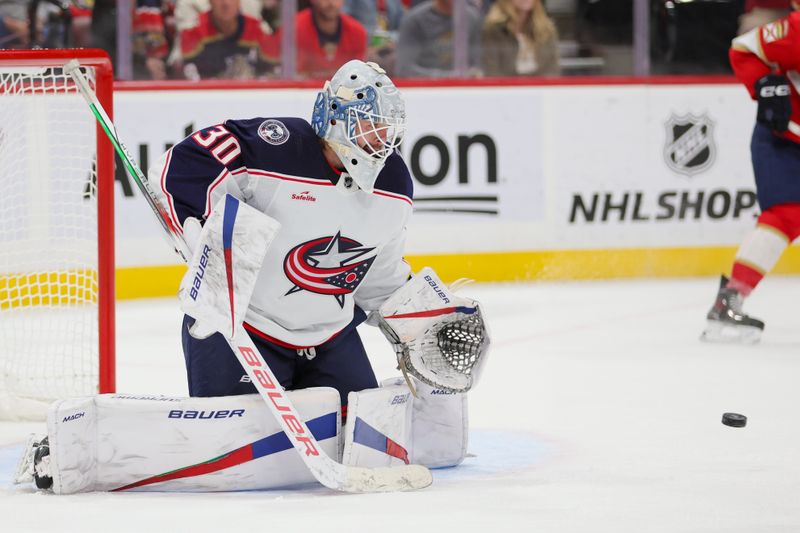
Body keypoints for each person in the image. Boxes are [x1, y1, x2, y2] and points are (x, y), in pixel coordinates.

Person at [702, 4, 800, 343]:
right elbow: (743, 48)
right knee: (786, 214)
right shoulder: (794, 32)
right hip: (784, 139)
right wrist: (766, 84)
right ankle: (729, 299)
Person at [177, 0, 279, 79]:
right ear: (210, 2)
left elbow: (274, 69)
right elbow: (178, 70)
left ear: (239, 2)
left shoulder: (257, 29)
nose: (226, 3)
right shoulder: (194, 32)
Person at [395, 0, 481, 78]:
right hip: (426, 90)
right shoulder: (414, 21)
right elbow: (404, 70)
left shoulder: (471, 18)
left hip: (465, 89)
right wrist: (450, 77)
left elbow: (477, 64)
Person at [481, 0, 560, 76]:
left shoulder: (546, 30)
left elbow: (552, 70)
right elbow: (492, 71)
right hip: (505, 88)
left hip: (541, 88)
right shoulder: (493, 30)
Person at [295, 0, 368, 79]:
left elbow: (359, 76)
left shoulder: (357, 32)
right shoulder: (293, 28)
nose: (331, 3)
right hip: (302, 90)